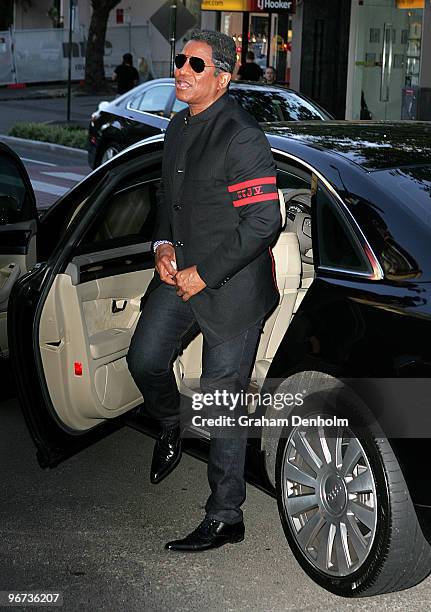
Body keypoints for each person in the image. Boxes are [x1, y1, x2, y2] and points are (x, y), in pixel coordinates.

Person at [126, 30, 280, 552]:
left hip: (231, 287)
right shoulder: (177, 124)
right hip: (180, 274)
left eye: (196, 64)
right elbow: (169, 196)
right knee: (144, 358)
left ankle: (225, 515)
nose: (183, 71)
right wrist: (162, 246)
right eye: (180, 60)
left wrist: (202, 274)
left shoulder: (241, 135)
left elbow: (264, 222)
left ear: (222, 77)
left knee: (222, 404)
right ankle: (172, 420)